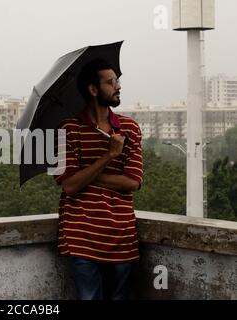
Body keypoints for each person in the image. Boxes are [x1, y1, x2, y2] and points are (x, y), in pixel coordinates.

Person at [53, 58, 143, 300]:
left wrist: (84, 175)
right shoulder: (67, 130)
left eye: (118, 81)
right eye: (111, 82)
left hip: (121, 234)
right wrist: (110, 155)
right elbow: (70, 186)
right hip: (81, 234)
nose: (118, 86)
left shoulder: (130, 129)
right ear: (93, 90)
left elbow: (132, 182)